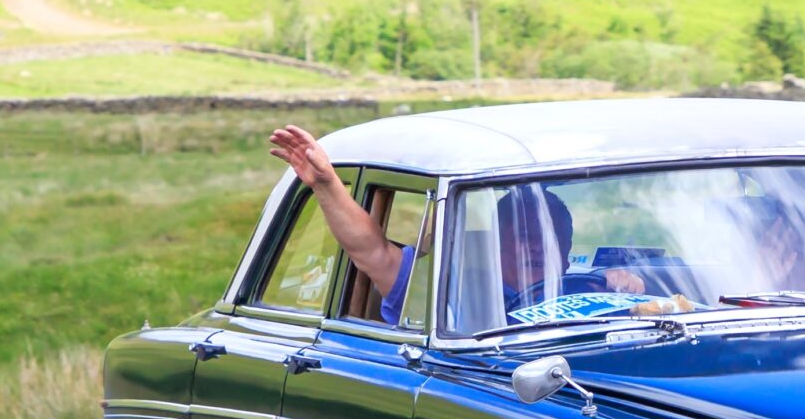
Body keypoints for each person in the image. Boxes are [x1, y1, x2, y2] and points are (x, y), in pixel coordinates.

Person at [267, 126, 643, 328]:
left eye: (553, 239)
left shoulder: (595, 288)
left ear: (566, 252)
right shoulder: (447, 292)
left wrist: (628, 293)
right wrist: (327, 184)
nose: (538, 248)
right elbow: (372, 252)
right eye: (526, 237)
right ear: (494, 244)